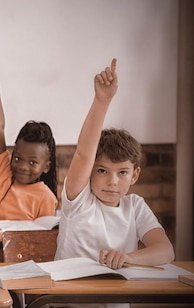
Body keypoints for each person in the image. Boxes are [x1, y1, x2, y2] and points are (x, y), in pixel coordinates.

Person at [55, 58, 174, 269]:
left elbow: (166, 251)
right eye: (102, 170)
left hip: (116, 299)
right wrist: (102, 100)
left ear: (135, 175)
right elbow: (84, 153)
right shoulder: (78, 200)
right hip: (69, 299)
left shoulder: (135, 206)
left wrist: (128, 258)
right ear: (90, 171)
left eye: (122, 173)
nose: (112, 181)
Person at [0, 49, 58, 270]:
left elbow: (42, 246)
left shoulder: (46, 197)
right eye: (18, 157)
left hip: (20, 268)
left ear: (46, 166)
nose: (21, 166)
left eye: (32, 163)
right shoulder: (3, 172)